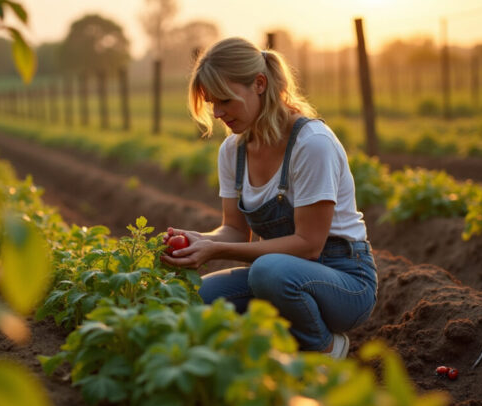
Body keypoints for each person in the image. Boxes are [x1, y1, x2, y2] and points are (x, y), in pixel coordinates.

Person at [160, 37, 378, 359]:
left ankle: (327, 348)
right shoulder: (232, 151)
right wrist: (198, 240)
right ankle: (280, 339)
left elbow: (309, 244)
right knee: (193, 297)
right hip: (279, 273)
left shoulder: (312, 144)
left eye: (225, 101)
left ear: (259, 84)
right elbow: (234, 230)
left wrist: (217, 250)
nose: (218, 113)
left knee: (268, 271)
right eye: (211, 103)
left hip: (344, 280)